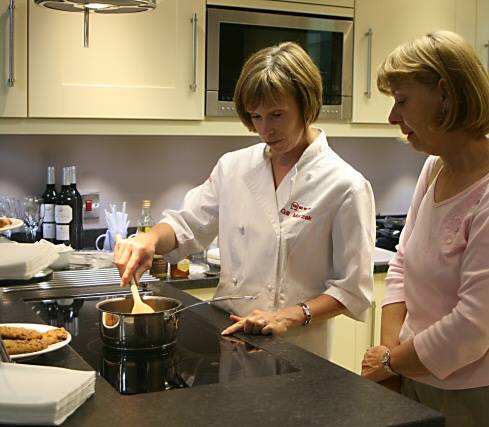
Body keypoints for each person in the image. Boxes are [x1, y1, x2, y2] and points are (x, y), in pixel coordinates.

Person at [114, 42, 375, 358]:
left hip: (300, 348)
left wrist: (286, 316)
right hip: (231, 338)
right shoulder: (233, 167)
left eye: (277, 114)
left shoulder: (345, 185)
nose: (265, 129)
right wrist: (149, 240)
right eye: (256, 116)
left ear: (307, 105)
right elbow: (187, 225)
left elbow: (352, 290)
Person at [360, 31, 489, 427]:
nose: (394, 117)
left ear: (444, 95)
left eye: (402, 100)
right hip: (417, 374)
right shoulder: (435, 166)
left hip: (486, 395)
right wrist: (392, 359)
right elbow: (402, 264)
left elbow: (471, 327)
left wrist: (392, 360)